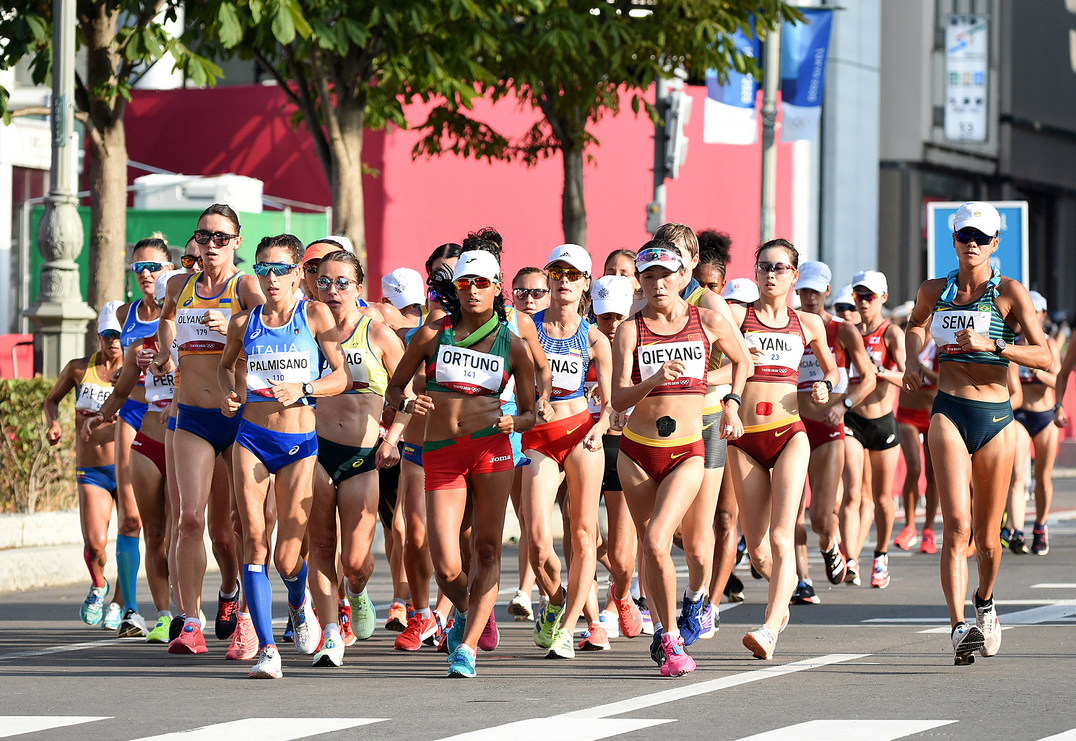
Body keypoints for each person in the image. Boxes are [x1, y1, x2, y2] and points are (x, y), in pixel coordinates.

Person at [904, 201, 1050, 664]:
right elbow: (915, 323)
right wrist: (912, 359)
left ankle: (984, 602)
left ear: (995, 244)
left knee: (988, 540)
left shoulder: (1008, 292)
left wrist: (997, 345)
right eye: (965, 235)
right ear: (952, 239)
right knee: (957, 528)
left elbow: (1046, 358)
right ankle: (956, 627)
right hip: (947, 412)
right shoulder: (934, 288)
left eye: (981, 238)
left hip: (996, 419)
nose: (972, 244)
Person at [386, 249, 537, 678]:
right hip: (442, 453)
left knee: (487, 548)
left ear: (496, 287)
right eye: (465, 283)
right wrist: (410, 401)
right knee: (446, 561)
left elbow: (530, 410)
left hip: (492, 450)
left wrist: (516, 420)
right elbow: (395, 388)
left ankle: (466, 646)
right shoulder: (433, 333)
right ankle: (469, 611)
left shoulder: (515, 345)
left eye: (482, 283)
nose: (472, 290)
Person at [612, 241, 749, 675]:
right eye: (648, 276)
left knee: (662, 539)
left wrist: (732, 402)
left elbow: (744, 361)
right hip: (637, 451)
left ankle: (690, 607)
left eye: (665, 275)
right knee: (649, 550)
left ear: (680, 275)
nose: (657, 284)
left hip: (688, 450)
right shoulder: (630, 330)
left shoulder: (707, 319)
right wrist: (652, 378)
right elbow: (617, 397)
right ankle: (667, 635)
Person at [218, 234, 349, 678]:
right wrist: (230, 394)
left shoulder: (313, 315)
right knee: (253, 538)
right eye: (263, 269)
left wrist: (303, 389)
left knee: (287, 557)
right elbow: (225, 366)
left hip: (297, 446)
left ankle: (297, 600)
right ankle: (268, 649)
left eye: (280, 269)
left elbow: (341, 377)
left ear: (298, 274)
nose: (270, 278)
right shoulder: (243, 323)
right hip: (251, 438)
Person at [150, 203, 261, 654]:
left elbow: (278, 327)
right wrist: (165, 355)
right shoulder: (179, 283)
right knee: (189, 519)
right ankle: (189, 622)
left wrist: (237, 325)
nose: (210, 245)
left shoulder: (248, 286)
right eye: (203, 236)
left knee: (242, 526)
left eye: (221, 237)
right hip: (192, 416)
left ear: (236, 241)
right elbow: (167, 318)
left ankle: (245, 613)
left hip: (240, 419)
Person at [724, 239, 837, 660]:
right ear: (755, 272)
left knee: (780, 533)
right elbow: (710, 367)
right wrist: (739, 363)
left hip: (789, 433)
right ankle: (782, 594)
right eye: (764, 265)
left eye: (780, 267)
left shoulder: (808, 323)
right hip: (744, 438)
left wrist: (826, 385)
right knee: (757, 552)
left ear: (794, 274)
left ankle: (770, 628)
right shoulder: (738, 316)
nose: (771, 273)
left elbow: (831, 368)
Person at [307, 249, 408, 666]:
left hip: (364, 453)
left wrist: (393, 440)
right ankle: (331, 632)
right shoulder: (305, 331)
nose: (332, 291)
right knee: (320, 545)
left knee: (353, 559)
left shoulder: (379, 334)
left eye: (342, 283)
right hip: (314, 451)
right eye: (324, 281)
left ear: (358, 288)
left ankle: (357, 590)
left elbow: (406, 395)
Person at [83, 273, 187, 641]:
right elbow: (123, 389)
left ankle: (186, 610)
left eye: (168, 308)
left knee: (180, 530)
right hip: (146, 440)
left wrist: (173, 368)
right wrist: (101, 414)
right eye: (159, 309)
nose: (163, 315)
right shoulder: (137, 348)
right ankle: (162, 615)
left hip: (182, 440)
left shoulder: (190, 343)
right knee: (153, 531)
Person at [523, 244, 612, 660]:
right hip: (540, 435)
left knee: (582, 534)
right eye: (557, 273)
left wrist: (600, 427)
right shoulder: (527, 327)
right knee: (539, 539)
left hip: (581, 434)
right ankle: (556, 600)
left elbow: (611, 407)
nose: (563, 282)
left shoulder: (594, 337)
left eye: (573, 275)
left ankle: (571, 625)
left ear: (586, 285)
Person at [794, 261, 876, 599]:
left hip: (828, 428)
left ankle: (830, 544)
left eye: (816, 290)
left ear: (828, 291)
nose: (810, 297)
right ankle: (802, 580)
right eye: (804, 291)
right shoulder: (787, 325)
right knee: (791, 513)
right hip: (792, 426)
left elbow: (869, 377)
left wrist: (844, 406)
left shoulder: (843, 330)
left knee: (819, 518)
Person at [44, 303, 124, 629]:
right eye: (108, 335)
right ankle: (99, 585)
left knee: (131, 540)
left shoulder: (134, 369)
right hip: (91, 469)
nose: (114, 341)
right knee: (96, 544)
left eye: (119, 335)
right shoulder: (79, 369)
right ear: (99, 334)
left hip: (130, 467)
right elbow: (51, 399)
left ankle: (121, 603)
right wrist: (53, 424)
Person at [108, 238, 173, 636]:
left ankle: (202, 608)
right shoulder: (123, 312)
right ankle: (136, 608)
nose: (146, 274)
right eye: (139, 268)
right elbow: (118, 370)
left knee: (189, 526)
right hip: (135, 410)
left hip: (183, 421)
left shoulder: (186, 312)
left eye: (154, 266)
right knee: (139, 520)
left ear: (170, 269)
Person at [841, 269, 905, 589]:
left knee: (881, 497)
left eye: (869, 296)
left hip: (882, 422)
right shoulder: (848, 332)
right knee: (853, 491)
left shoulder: (891, 333)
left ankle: (880, 555)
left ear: (883, 297)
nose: (863, 302)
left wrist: (881, 372)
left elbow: (909, 378)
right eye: (858, 296)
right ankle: (850, 559)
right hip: (853, 420)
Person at [1005, 290, 1061, 556]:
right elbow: (1012, 383)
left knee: (1043, 478)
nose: (1031, 316)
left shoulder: (1048, 344)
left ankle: (1040, 526)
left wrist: (1039, 371)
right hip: (1021, 416)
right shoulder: (1014, 342)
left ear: (1042, 315)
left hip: (1045, 416)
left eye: (1036, 311)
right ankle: (1016, 531)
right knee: (1018, 477)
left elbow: (1059, 380)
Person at [894, 330, 940, 554]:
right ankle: (909, 526)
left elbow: (944, 381)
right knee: (914, 468)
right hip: (907, 415)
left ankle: (929, 531)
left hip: (932, 414)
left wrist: (924, 370)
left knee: (932, 473)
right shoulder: (906, 343)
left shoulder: (940, 345)